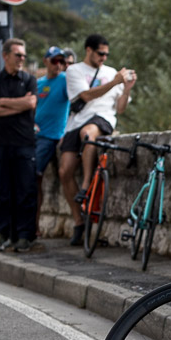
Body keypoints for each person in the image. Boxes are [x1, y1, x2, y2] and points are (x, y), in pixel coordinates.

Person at [58, 34, 136, 246]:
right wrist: (115, 82)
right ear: (88, 50)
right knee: (64, 171)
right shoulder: (74, 71)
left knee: (89, 133)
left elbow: (120, 108)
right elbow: (86, 96)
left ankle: (85, 186)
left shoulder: (111, 73)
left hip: (102, 120)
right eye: (100, 53)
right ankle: (78, 222)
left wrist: (126, 88)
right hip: (76, 123)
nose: (104, 57)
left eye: (107, 54)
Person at [0, 38, 37, 252]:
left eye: (24, 55)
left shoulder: (30, 80)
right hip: (0, 144)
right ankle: (0, 234)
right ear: (6, 56)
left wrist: (2, 103)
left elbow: (31, 103)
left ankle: (24, 236)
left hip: (24, 143)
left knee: (26, 191)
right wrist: (18, 105)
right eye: (18, 55)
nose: (22, 58)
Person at [34, 45, 70, 237]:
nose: (58, 64)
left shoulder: (65, 81)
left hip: (51, 137)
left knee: (34, 176)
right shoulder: (39, 83)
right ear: (45, 61)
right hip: (34, 135)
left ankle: (34, 226)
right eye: (55, 60)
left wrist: (67, 130)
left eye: (61, 61)